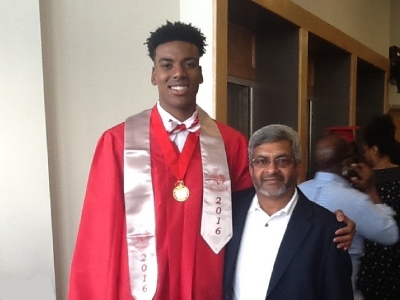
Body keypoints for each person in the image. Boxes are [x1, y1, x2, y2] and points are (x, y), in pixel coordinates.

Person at [68, 21, 355, 300]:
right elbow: (98, 234)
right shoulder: (119, 143)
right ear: (154, 74)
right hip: (142, 287)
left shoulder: (230, 143)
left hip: (208, 286)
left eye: (189, 63)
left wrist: (326, 225)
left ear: (201, 73)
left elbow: (265, 204)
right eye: (167, 65)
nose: (178, 73)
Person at [224, 124, 353, 300]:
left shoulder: (329, 230)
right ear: (251, 168)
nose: (271, 170)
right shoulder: (228, 211)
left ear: (298, 167)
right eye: (262, 161)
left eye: (282, 160)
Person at [299, 132, 399, 299]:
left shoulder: (298, 192)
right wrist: (370, 190)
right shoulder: (355, 200)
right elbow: (391, 235)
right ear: (347, 163)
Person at [357, 114, 400, 300]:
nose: (365, 156)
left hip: (370, 258)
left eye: (366, 150)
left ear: (375, 149)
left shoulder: (362, 182)